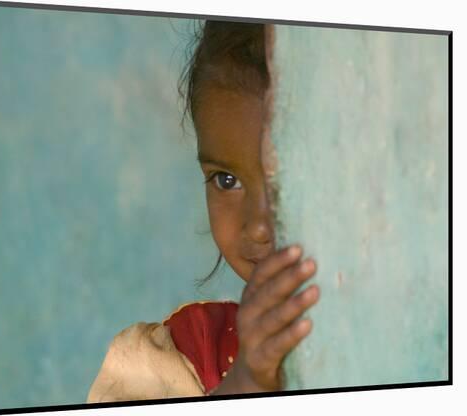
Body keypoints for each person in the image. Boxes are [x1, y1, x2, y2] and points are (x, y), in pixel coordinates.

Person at [87, 20, 320, 402]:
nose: (259, 226)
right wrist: (244, 384)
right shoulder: (185, 357)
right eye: (226, 180)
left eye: (288, 180)